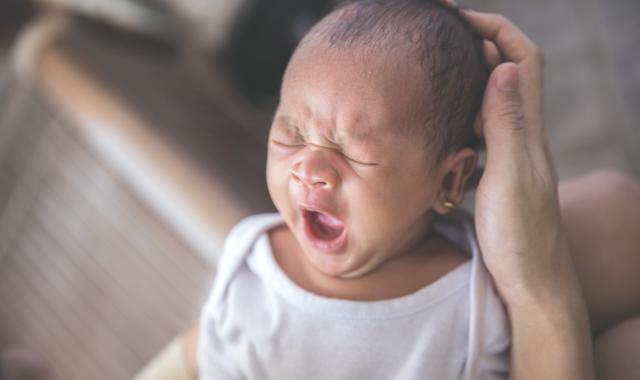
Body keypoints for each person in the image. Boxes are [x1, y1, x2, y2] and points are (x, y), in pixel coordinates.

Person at [135, 1, 640, 379]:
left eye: (354, 152)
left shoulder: (469, 299)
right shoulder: (252, 265)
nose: (309, 169)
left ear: (449, 181)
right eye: (289, 134)